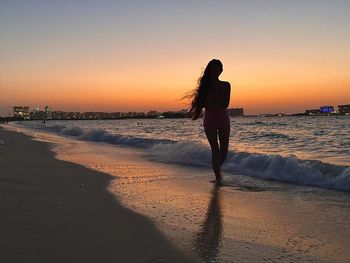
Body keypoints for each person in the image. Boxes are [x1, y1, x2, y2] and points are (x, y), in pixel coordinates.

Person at [187, 59, 231, 184]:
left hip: (223, 119)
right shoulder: (205, 87)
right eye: (212, 69)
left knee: (224, 151)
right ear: (209, 71)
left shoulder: (226, 85)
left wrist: (212, 99)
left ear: (221, 71)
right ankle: (218, 178)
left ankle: (217, 170)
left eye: (217, 69)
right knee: (215, 150)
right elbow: (202, 103)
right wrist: (212, 100)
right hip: (210, 121)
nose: (214, 72)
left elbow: (225, 104)